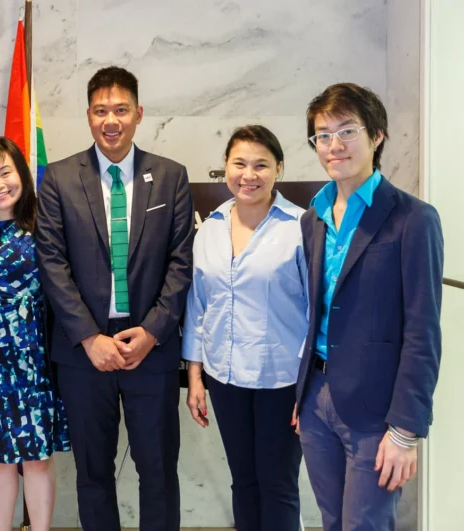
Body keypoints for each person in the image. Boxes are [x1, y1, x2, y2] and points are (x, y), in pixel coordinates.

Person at [35, 66, 195, 531]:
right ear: (88, 116)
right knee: (93, 474)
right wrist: (88, 337)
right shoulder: (60, 178)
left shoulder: (170, 177)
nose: (112, 120)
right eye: (101, 110)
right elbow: (52, 263)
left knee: (160, 472)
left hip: (152, 350)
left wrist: (151, 332)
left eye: (121, 110)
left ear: (139, 114)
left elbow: (180, 264)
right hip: (85, 357)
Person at [294, 83, 443, 531]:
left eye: (347, 130)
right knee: (333, 521)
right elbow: (315, 313)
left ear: (376, 135)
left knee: (366, 525)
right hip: (317, 398)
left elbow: (423, 332)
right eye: (322, 135)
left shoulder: (413, 218)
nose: (334, 145)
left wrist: (405, 431)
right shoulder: (313, 216)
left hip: (377, 411)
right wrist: (303, 394)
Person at [183, 125, 308, 531]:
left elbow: (316, 310)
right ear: (225, 167)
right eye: (239, 163)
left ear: (279, 170)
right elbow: (198, 306)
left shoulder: (301, 227)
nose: (248, 175)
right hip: (226, 377)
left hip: (283, 380)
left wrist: (311, 387)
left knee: (279, 484)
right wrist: (196, 376)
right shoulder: (211, 227)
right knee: (244, 481)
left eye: (261, 165)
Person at [0, 137, 70, 531]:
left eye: (5, 172)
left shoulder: (47, 226)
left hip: (36, 358)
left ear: (22, 174)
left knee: (37, 456)